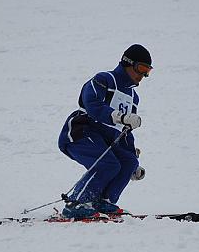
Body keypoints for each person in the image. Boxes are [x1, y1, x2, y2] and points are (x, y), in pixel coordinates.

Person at [57, 44, 152, 219]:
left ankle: (103, 201)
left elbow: (125, 132)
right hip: (80, 132)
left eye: (148, 71)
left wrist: (133, 163)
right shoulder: (104, 79)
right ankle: (77, 203)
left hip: (105, 141)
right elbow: (92, 104)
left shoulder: (133, 97)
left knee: (128, 162)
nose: (143, 75)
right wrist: (119, 116)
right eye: (141, 68)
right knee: (107, 163)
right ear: (127, 63)